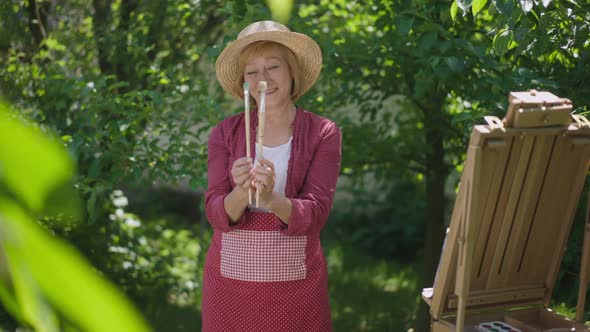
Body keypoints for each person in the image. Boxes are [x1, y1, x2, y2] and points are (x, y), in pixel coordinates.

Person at [202, 20, 342, 332]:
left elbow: (317, 213)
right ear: (244, 83)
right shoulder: (225, 133)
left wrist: (271, 199)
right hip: (230, 285)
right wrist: (240, 194)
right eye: (252, 72)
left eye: (273, 67)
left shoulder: (323, 132)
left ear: (293, 72)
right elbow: (214, 210)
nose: (262, 79)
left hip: (297, 290)